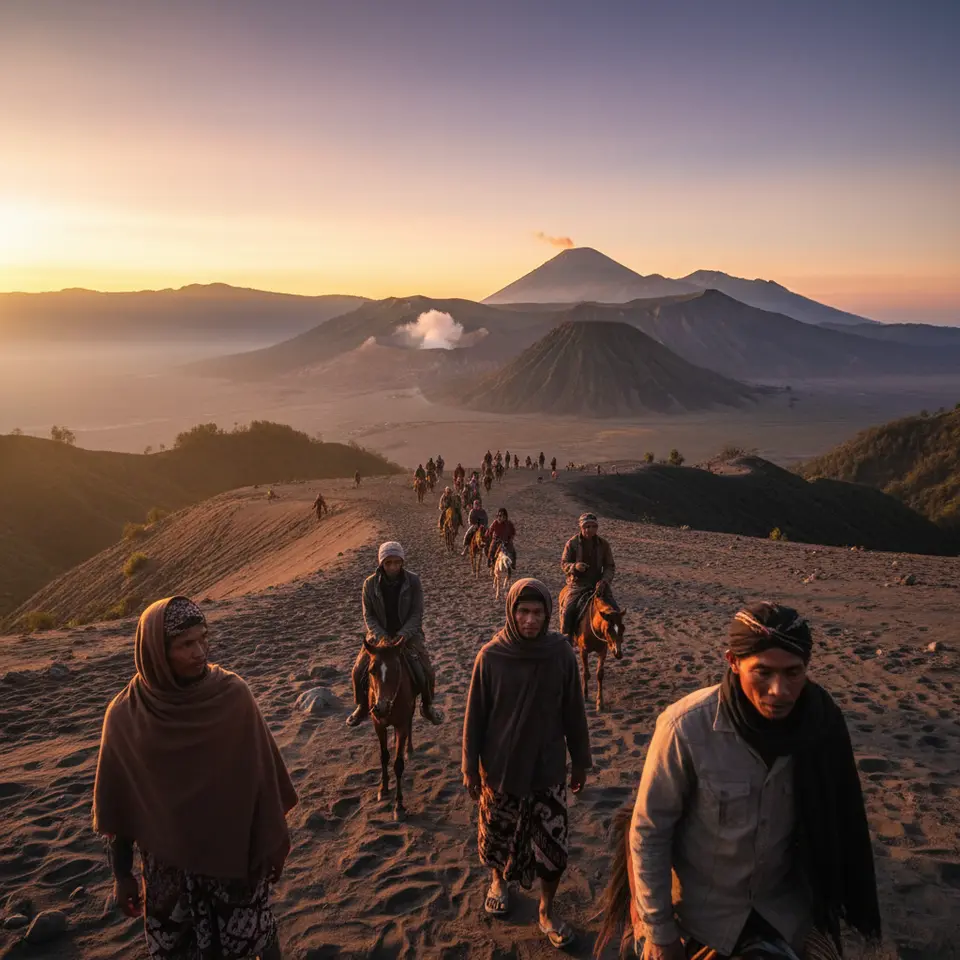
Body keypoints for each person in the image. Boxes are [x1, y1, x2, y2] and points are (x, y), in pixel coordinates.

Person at [628, 602, 881, 960]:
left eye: (794, 673)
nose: (780, 690)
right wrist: (660, 933)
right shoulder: (685, 728)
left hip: (785, 914)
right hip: (701, 919)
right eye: (763, 672)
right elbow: (649, 832)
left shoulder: (821, 728)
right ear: (732, 661)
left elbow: (839, 826)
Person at [93, 597, 297, 960]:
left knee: (258, 939)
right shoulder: (126, 716)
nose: (200, 651)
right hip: (168, 874)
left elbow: (263, 778)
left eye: (203, 639)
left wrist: (271, 840)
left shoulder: (232, 695)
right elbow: (120, 803)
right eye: (186, 644)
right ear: (156, 650)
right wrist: (122, 873)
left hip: (236, 862)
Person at [462, 578, 591, 950]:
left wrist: (581, 761)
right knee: (495, 836)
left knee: (553, 846)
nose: (530, 619)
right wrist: (469, 767)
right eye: (523, 611)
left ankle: (547, 910)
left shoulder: (561, 654)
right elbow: (475, 718)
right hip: (500, 770)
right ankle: (498, 883)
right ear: (511, 612)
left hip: (547, 768)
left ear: (548, 614)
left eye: (537, 612)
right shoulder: (491, 657)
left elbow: (574, 713)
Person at [347, 542, 443, 727]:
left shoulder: (413, 581)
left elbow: (417, 613)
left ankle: (428, 706)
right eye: (388, 562)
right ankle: (361, 706)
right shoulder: (370, 584)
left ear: (402, 562)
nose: (393, 566)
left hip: (408, 635)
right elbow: (369, 615)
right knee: (358, 670)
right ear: (381, 563)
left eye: (397, 562)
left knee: (426, 670)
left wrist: (403, 635)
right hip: (378, 636)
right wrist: (382, 636)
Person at [558, 513, 616, 639]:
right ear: (581, 527)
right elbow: (563, 563)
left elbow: (609, 566)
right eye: (586, 526)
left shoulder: (604, 544)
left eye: (593, 526)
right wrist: (575, 567)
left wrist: (604, 581)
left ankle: (615, 641)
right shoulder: (572, 543)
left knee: (615, 612)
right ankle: (566, 641)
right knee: (568, 612)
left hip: (598, 584)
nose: (590, 529)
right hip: (577, 584)